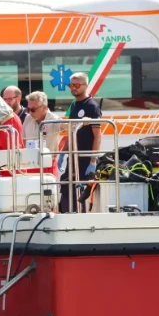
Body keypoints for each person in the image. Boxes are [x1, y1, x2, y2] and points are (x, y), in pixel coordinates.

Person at [59, 72, 102, 213]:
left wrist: (93, 161)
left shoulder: (92, 106)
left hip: (85, 158)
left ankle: (82, 217)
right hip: (73, 158)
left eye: (77, 85)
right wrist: (62, 154)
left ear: (86, 85)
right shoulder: (74, 105)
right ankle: (66, 215)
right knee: (66, 188)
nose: (73, 88)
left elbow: (97, 136)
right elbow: (71, 132)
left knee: (81, 193)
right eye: (71, 85)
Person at [24, 91, 62, 177]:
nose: (30, 112)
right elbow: (23, 141)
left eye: (33, 109)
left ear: (44, 107)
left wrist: (79, 123)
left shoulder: (53, 119)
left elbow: (65, 126)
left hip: (48, 165)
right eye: (28, 109)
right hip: (30, 165)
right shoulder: (28, 118)